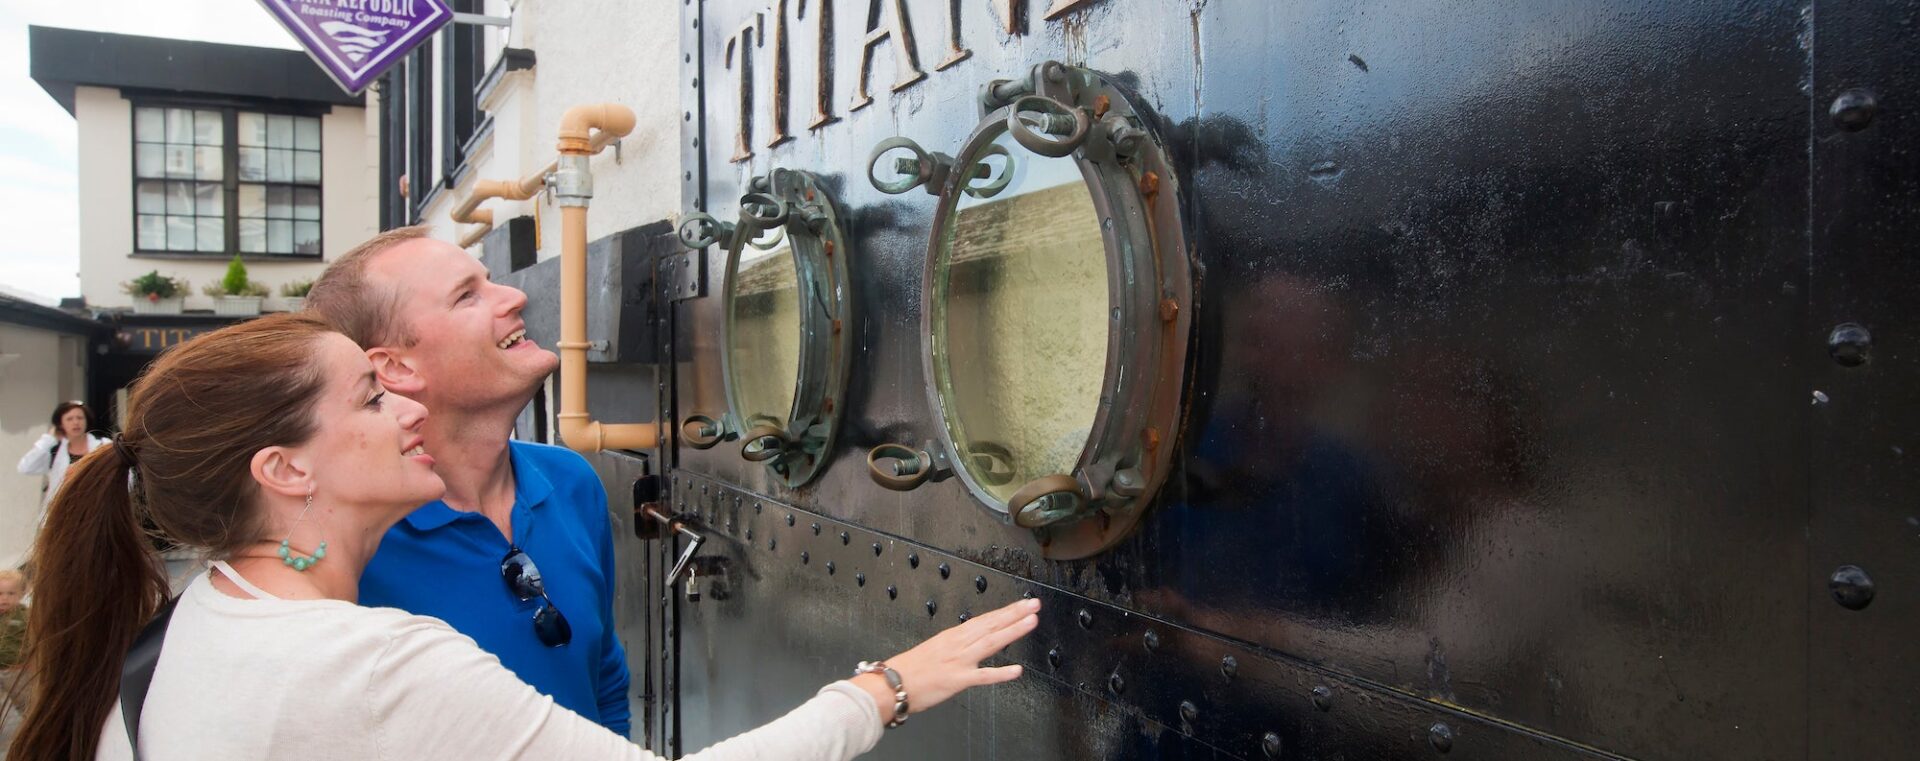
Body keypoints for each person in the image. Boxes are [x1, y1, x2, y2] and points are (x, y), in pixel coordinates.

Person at [8, 313, 1038, 760]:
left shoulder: (199, 620)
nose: (407, 405)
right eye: (370, 395)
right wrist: (885, 688)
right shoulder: (366, 663)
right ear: (285, 471)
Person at [306, 227, 630, 731]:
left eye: (490, 280)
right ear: (395, 367)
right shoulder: (350, 544)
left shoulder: (571, 481)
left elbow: (604, 677)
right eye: (466, 296)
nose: (515, 296)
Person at [15, 401, 107, 514]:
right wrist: (48, 439)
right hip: (63, 513)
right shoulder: (55, 449)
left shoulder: (104, 446)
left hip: (96, 511)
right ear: (60, 424)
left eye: (80, 418)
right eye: (69, 419)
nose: (76, 422)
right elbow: (25, 467)